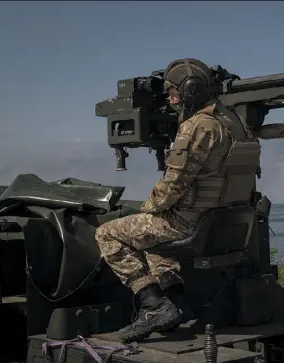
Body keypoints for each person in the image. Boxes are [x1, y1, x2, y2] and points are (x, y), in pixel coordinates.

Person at [94, 58, 261, 343]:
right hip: (229, 223)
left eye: (173, 93)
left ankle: (154, 306)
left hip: (192, 224)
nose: (171, 99)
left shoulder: (197, 126)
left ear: (190, 91)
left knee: (108, 233)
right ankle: (176, 302)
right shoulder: (236, 122)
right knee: (149, 236)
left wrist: (148, 208)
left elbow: (174, 184)